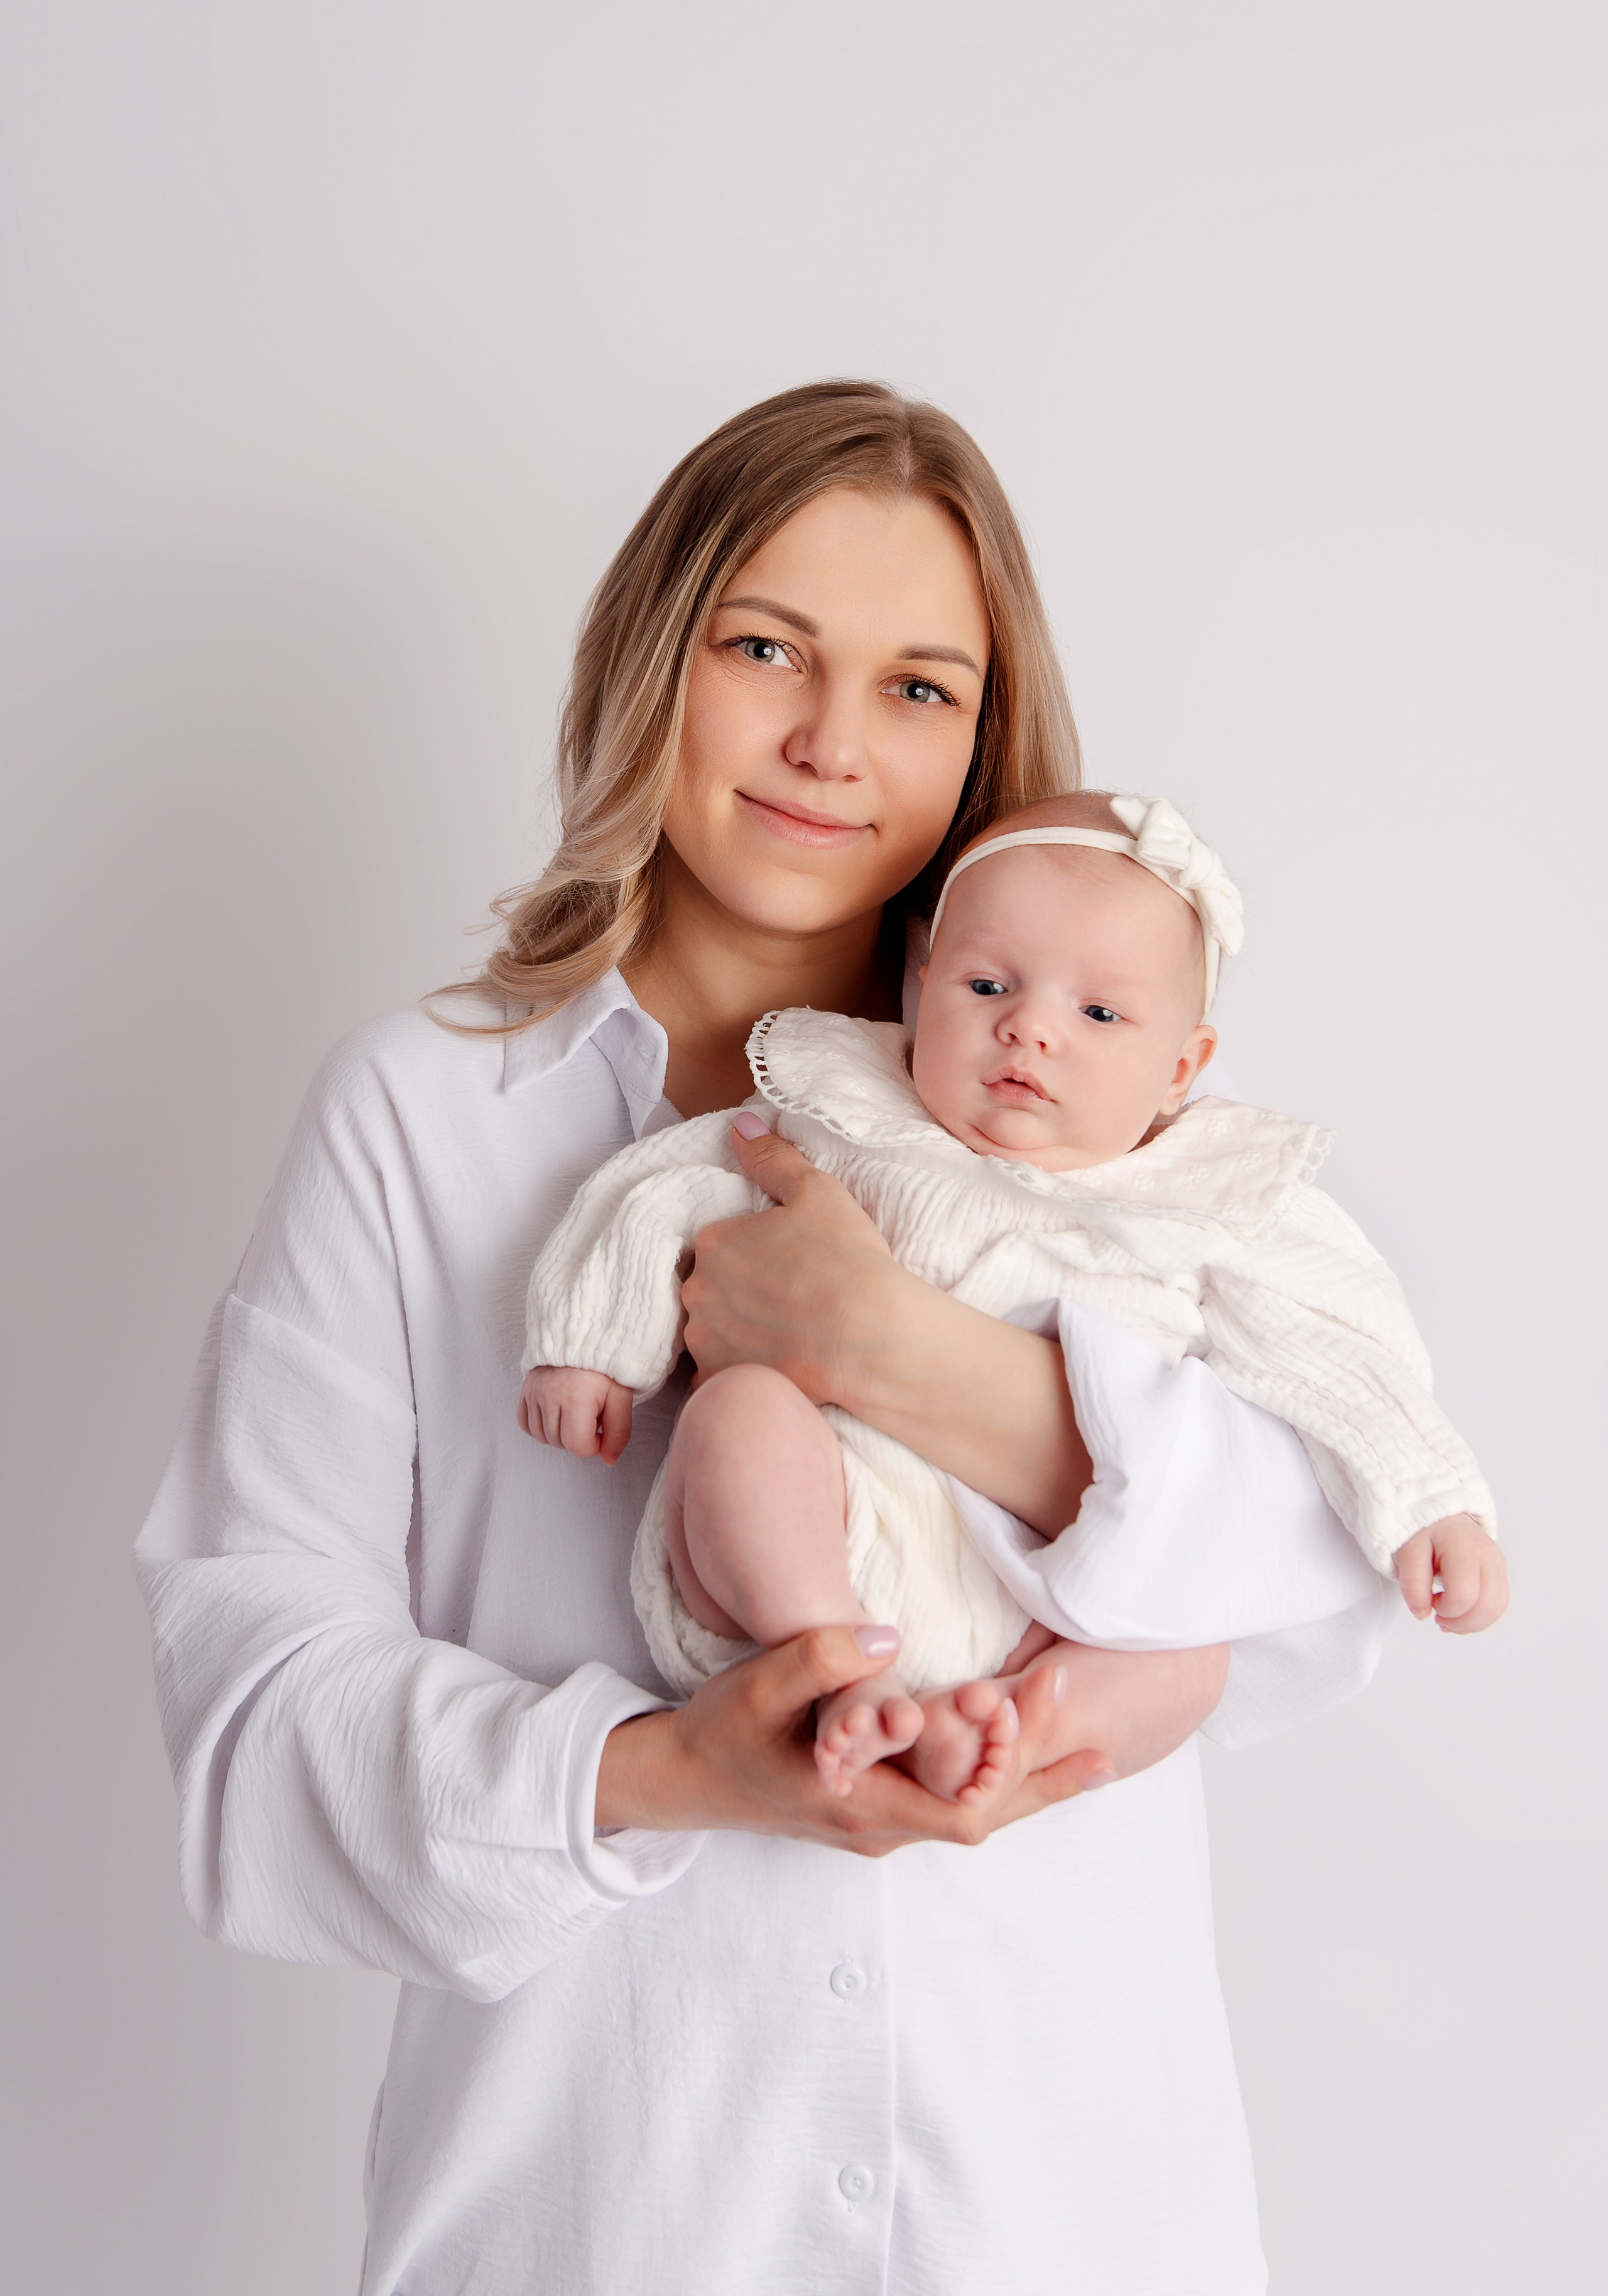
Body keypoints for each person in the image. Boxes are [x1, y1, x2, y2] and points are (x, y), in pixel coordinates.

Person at [138, 381, 1408, 2294]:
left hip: (1067, 2220)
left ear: (989, 746)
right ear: (657, 656)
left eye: (920, 687)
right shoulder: (420, 1115)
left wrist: (907, 1357)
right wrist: (662, 1773)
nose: (831, 742)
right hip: (598, 2225)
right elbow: (253, 1722)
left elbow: (1340, 1586)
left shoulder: (1133, 1146)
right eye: (765, 648)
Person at [519, 788, 1506, 1805]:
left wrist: (1431, 1504)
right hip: (827, 1530)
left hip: (1049, 1610)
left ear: (1182, 1067)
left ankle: (1019, 1734)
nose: (1030, 1028)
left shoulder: (1207, 1203)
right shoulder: (852, 1113)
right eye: (988, 984)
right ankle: (831, 1663)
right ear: (922, 986)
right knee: (738, 1415)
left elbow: (1333, 1346)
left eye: (1099, 1012)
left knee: (1191, 1660)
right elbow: (679, 1182)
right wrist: (593, 1336)